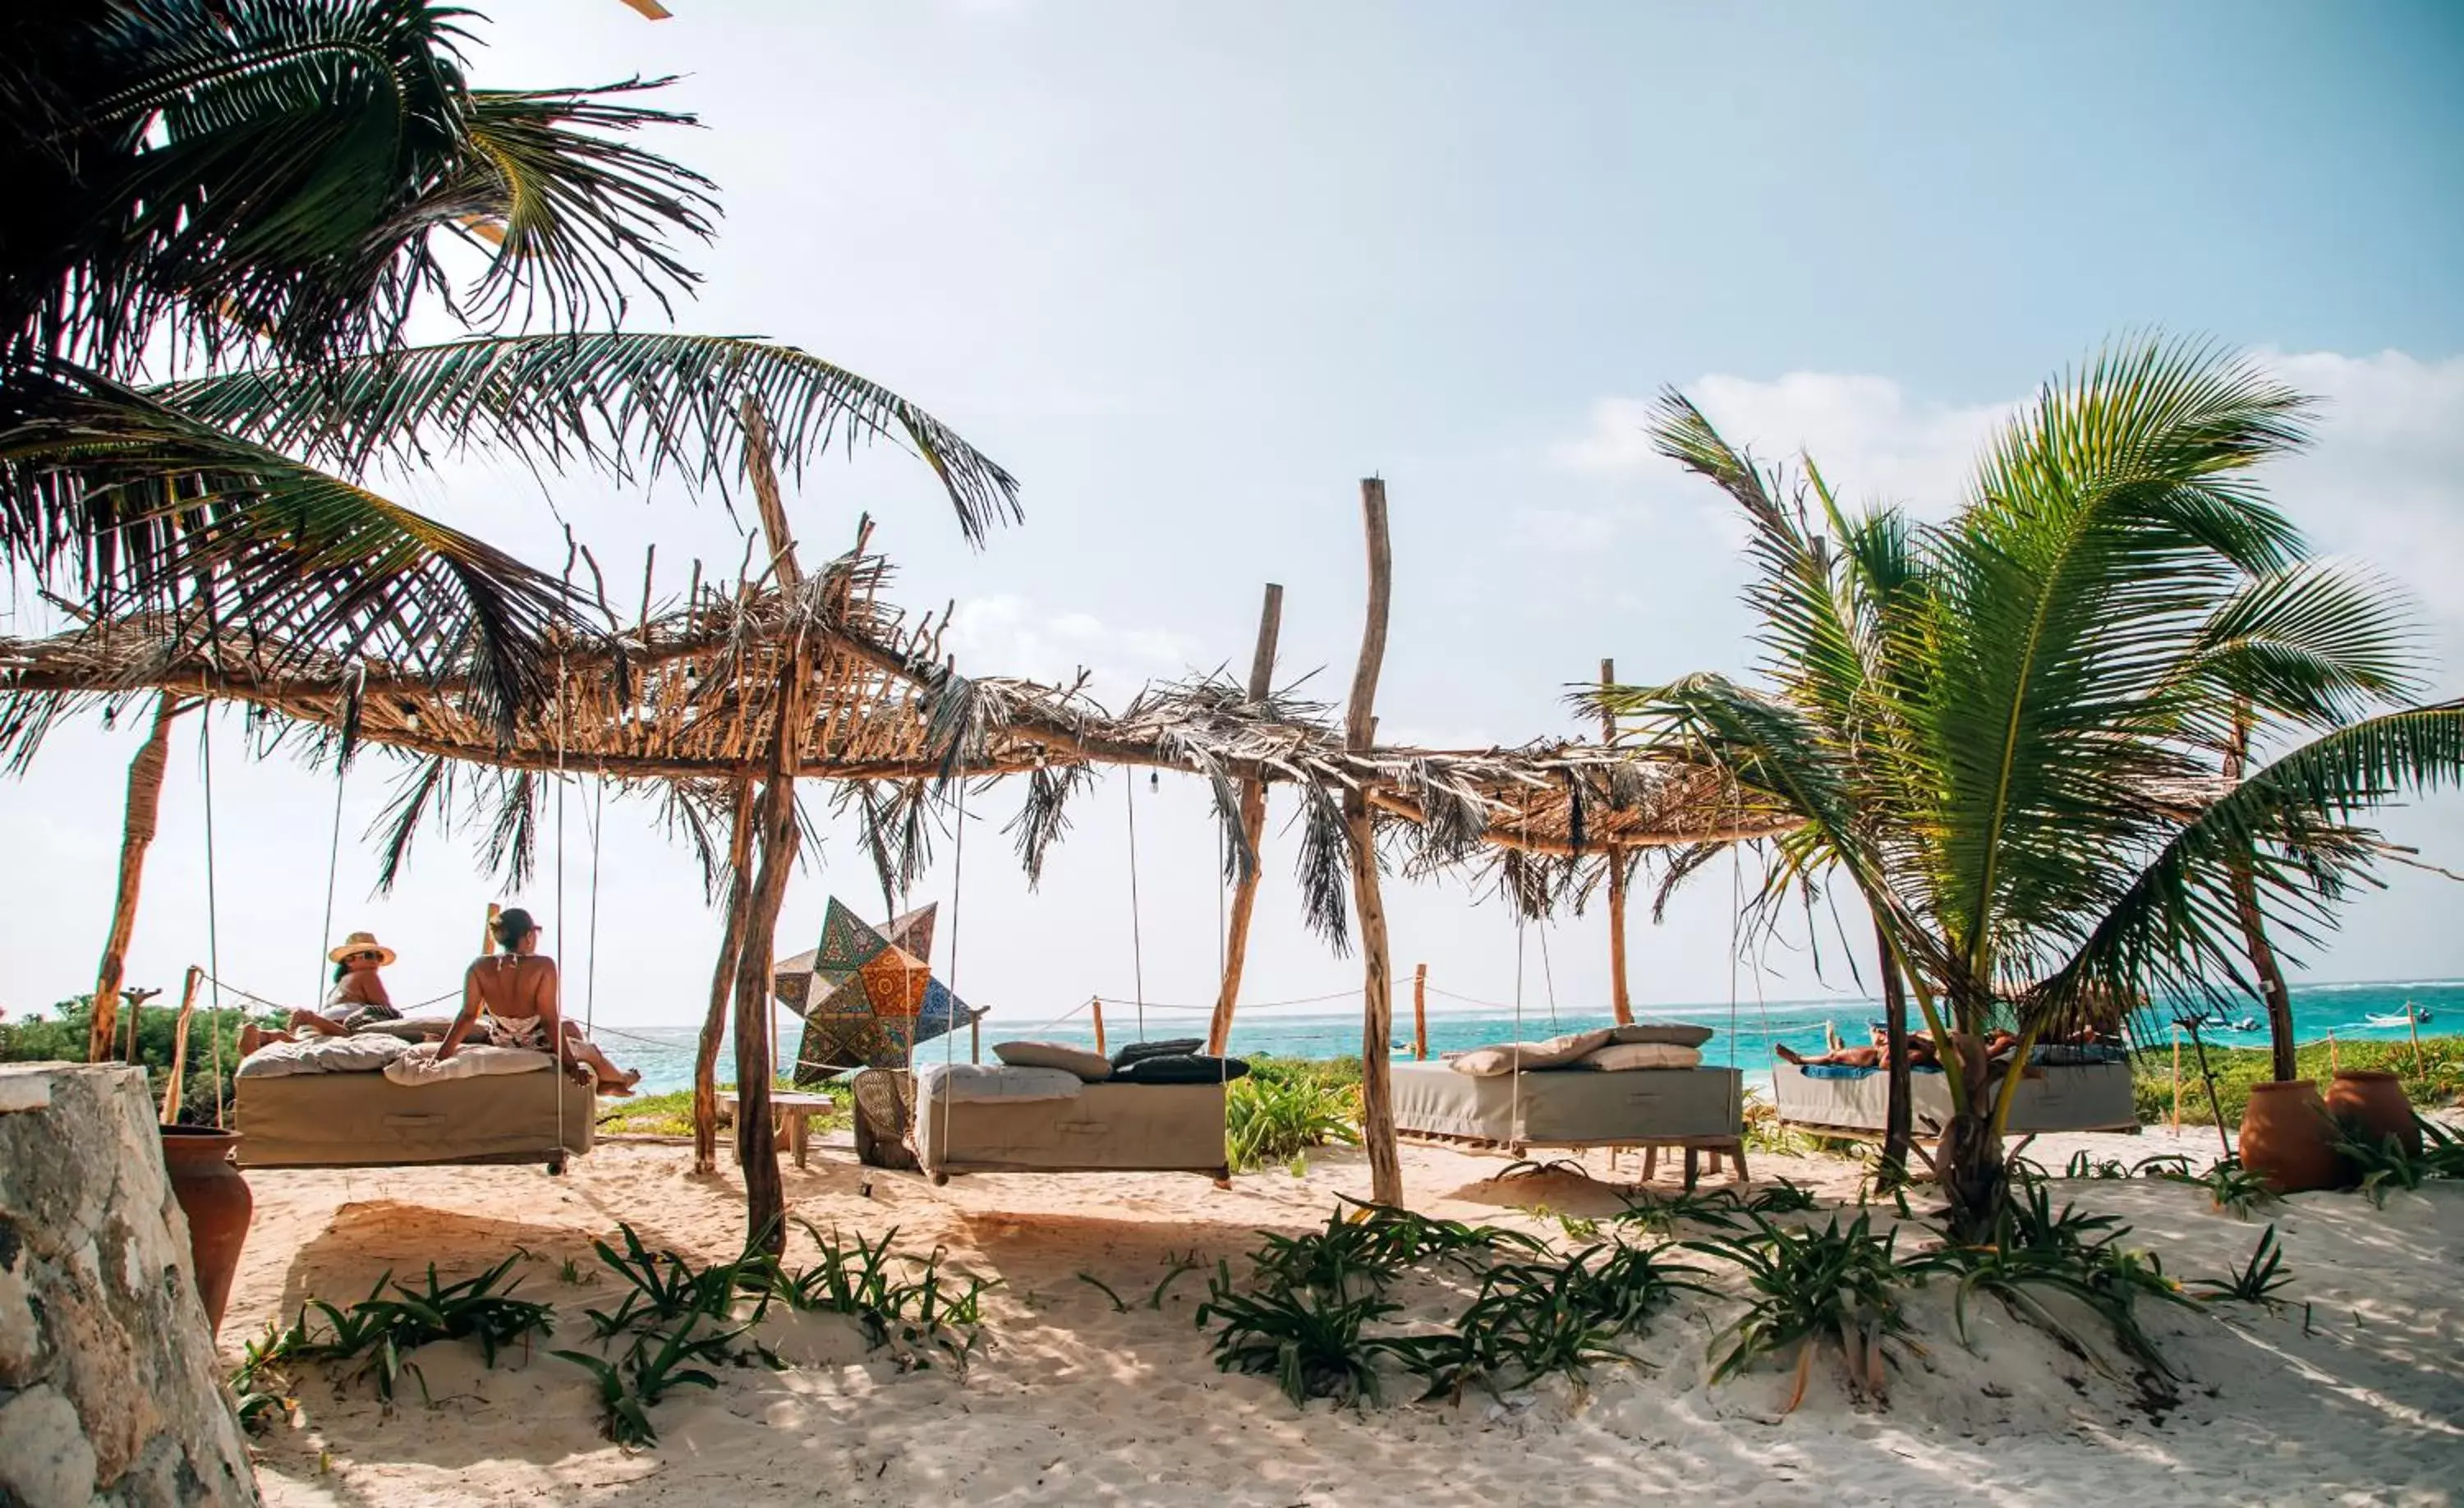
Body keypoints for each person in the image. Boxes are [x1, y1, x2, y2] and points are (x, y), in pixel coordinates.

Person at [439, 907, 638, 1094]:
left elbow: (467, 1015)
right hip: (536, 1044)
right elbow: (549, 1021)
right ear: (528, 936)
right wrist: (571, 1066)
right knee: (590, 1050)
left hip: (501, 1040)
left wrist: (441, 1055)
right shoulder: (543, 966)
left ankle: (603, 1084)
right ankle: (620, 1079)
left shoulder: (479, 966)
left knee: (569, 1026)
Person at [238, 931, 402, 1055]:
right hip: (341, 1023)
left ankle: (266, 1037)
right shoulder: (367, 975)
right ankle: (309, 1018)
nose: (375, 961)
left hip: (323, 1022)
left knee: (301, 1044)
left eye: (378, 956)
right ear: (350, 960)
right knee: (351, 1036)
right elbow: (385, 1010)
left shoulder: (340, 984)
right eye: (369, 955)